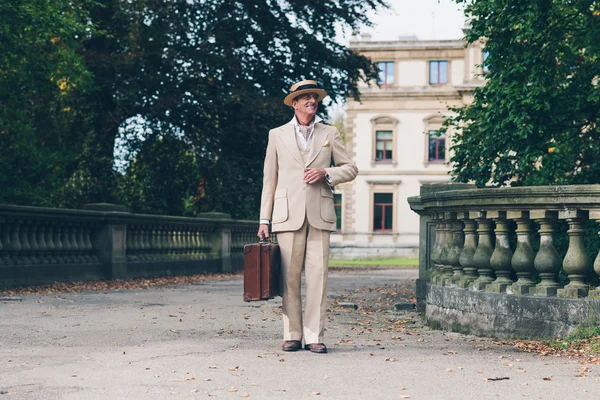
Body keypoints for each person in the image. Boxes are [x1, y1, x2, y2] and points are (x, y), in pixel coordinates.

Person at [257, 79, 358, 354]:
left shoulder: (330, 133)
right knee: (288, 277)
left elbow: (351, 168)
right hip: (287, 215)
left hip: (320, 214)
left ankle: (314, 336)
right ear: (295, 103)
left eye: (315, 97)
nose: (312, 101)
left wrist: (327, 173)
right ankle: (291, 334)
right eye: (306, 97)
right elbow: (270, 180)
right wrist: (264, 219)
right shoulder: (276, 135)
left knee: (318, 277)